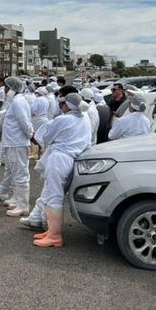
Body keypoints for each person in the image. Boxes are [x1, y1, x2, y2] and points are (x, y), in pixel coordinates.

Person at [32, 93, 92, 247]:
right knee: (54, 193)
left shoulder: (62, 119)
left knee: (54, 195)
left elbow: (46, 138)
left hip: (59, 158)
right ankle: (52, 230)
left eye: (62, 103)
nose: (60, 106)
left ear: (67, 105)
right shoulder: (85, 118)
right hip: (74, 158)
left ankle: (54, 235)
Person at [0, 76, 34, 217]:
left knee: (21, 174)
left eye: (7, 88)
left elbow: (24, 122)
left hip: (17, 143)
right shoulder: (14, 101)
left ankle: (23, 206)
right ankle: (18, 200)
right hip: (12, 143)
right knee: (15, 173)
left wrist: (30, 136)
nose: (5, 90)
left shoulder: (18, 102)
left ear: (13, 89)